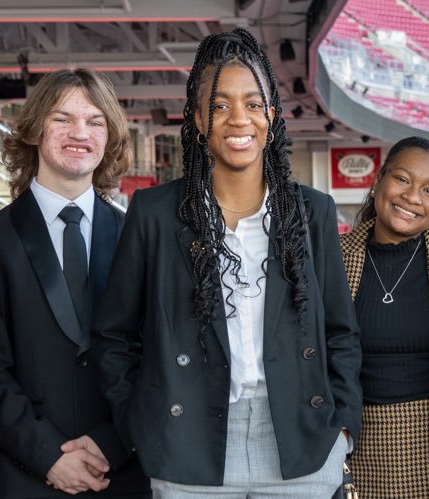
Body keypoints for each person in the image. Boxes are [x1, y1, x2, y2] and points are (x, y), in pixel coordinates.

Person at [94, 28, 362, 497]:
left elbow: (340, 332)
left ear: (272, 116)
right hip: (188, 445)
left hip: (299, 442)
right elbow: (114, 336)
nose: (239, 119)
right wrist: (141, 424)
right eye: (219, 105)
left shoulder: (311, 211)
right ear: (198, 119)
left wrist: (341, 430)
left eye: (253, 104)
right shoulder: (155, 213)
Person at [0, 68, 149, 498]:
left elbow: (158, 358)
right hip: (26, 475)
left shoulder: (141, 238)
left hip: (123, 474)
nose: (81, 133)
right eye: (63, 118)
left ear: (109, 138)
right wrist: (47, 456)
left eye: (95, 122)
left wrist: (112, 444)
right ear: (35, 129)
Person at [341, 137, 429, 498]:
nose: (412, 197)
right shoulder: (332, 257)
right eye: (402, 179)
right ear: (379, 179)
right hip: (352, 445)